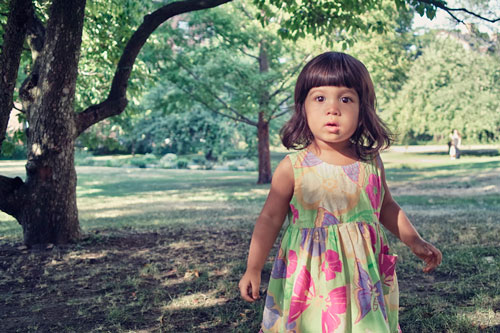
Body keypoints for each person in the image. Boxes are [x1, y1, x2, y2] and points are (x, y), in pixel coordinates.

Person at [238, 52, 442, 333]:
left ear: (362, 109)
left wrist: (414, 241)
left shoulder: (370, 161)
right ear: (303, 107)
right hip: (310, 279)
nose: (332, 109)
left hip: (363, 278)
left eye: (346, 99)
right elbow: (270, 219)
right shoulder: (292, 167)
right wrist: (253, 268)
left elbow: (386, 207)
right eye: (320, 98)